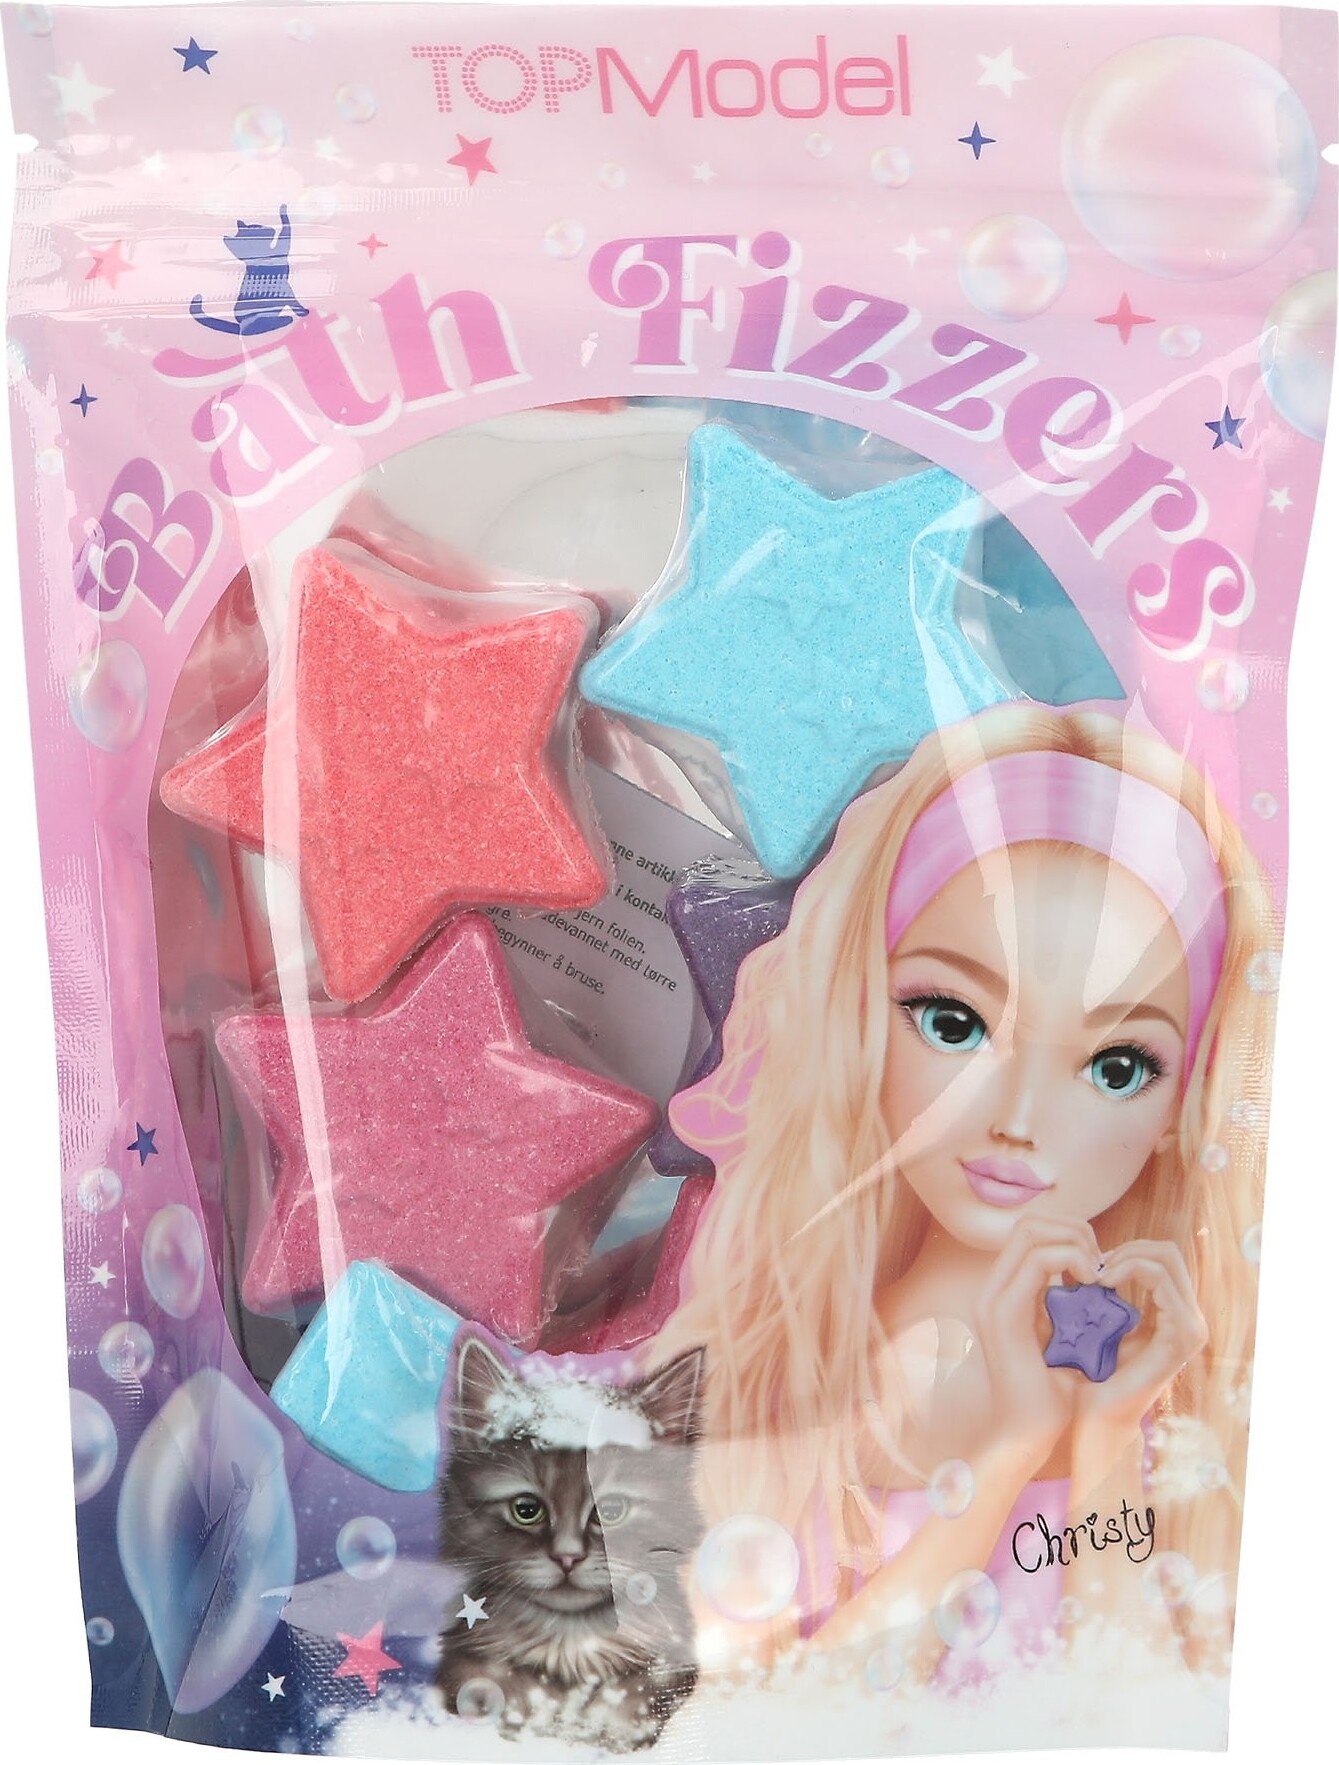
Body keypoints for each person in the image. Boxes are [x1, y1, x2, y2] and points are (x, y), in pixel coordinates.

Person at [654, 705, 1273, 1680]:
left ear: (1179, 1105)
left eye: (1116, 1066)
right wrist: (1013, 1447)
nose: (1017, 1118)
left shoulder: (1185, 1425)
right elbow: (777, 1732)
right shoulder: (771, 1384)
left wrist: (1105, 1435)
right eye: (952, 1020)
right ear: (860, 1012)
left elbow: (1135, 1719)